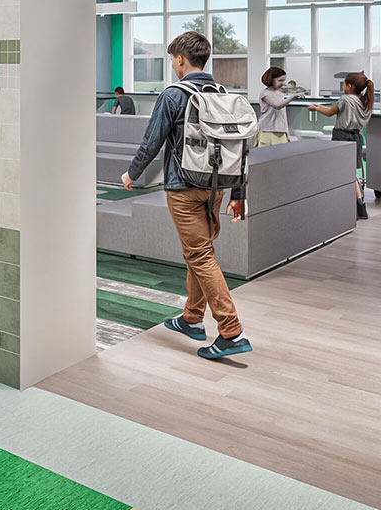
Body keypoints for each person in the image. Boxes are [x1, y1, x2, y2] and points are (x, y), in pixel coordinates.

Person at [120, 31, 251, 360]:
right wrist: (238, 192)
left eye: (172, 60)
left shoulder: (173, 95)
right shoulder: (223, 94)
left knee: (200, 256)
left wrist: (131, 173)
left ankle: (231, 331)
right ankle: (192, 318)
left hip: (183, 188)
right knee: (200, 252)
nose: (172, 65)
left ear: (180, 59)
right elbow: (240, 148)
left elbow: (152, 141)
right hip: (217, 188)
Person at [309, 72, 374, 221]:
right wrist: (319, 106)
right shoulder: (365, 101)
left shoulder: (345, 99)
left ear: (350, 86)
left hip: (342, 136)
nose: (343, 86)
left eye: (344, 83)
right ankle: (360, 206)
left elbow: (330, 112)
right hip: (356, 137)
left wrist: (315, 109)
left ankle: (356, 206)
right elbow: (335, 110)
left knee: (342, 172)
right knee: (351, 172)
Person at [255, 66, 298, 147]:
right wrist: (293, 96)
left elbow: (283, 115)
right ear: (271, 79)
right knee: (266, 154)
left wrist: (287, 133)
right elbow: (277, 105)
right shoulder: (265, 94)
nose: (282, 83)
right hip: (267, 131)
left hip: (281, 131)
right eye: (280, 80)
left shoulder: (280, 94)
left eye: (283, 80)